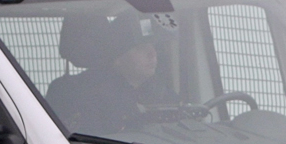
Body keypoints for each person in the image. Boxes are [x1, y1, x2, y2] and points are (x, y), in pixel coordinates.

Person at [46, 13, 183, 133]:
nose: (152, 54)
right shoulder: (76, 94)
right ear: (117, 58)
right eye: (140, 48)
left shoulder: (164, 96)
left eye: (153, 46)